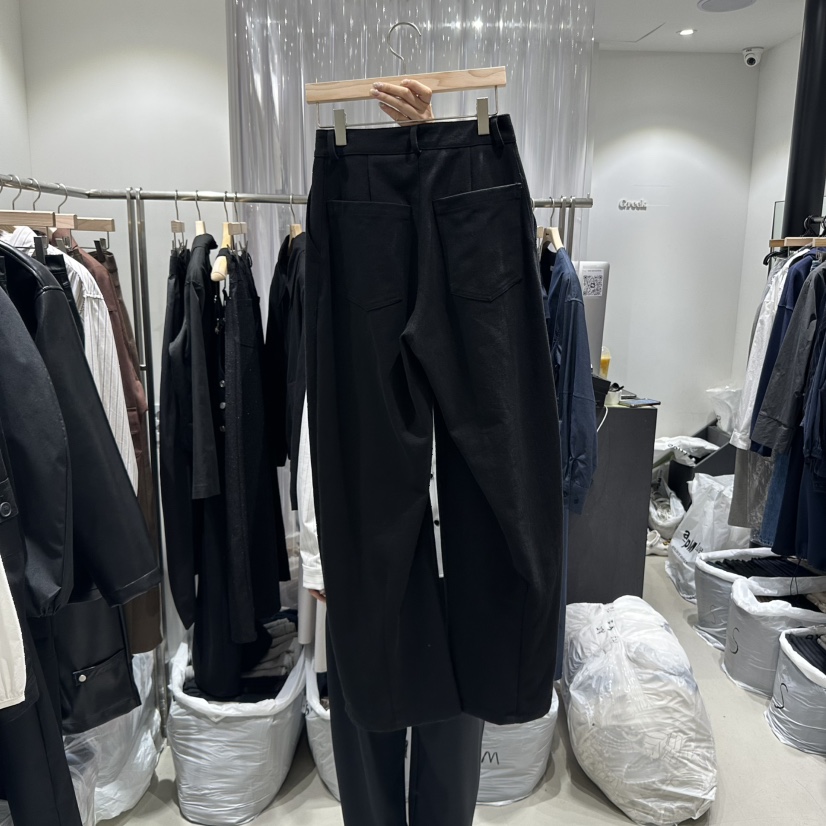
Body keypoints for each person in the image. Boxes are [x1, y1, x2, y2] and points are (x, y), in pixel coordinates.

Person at [303, 79, 485, 826]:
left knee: (452, 745)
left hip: (457, 552)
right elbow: (325, 415)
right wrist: (320, 556)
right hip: (366, 545)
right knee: (367, 736)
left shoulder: (472, 249)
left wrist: (433, 149)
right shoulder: (346, 243)